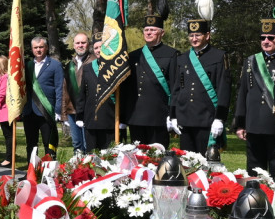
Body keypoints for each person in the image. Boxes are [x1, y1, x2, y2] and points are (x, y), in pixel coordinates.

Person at [234, 18, 275, 178]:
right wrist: (240, 124)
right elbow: (243, 93)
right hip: (254, 125)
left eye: (271, 38)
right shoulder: (251, 61)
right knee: (254, 172)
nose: (266, 41)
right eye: (262, 37)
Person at [169, 19, 231, 155]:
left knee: (206, 164)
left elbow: (223, 89)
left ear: (207, 36)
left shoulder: (219, 56)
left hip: (207, 118)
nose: (194, 39)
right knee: (186, 162)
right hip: (185, 117)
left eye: (198, 35)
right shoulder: (183, 58)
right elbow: (177, 89)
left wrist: (220, 118)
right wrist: (172, 115)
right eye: (191, 35)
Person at [125, 15, 179, 146]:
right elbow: (127, 88)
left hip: (159, 117)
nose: (148, 33)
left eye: (153, 30)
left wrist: (173, 115)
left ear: (162, 33)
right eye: (146, 30)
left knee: (157, 159)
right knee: (137, 159)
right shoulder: (133, 56)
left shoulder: (172, 54)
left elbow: (175, 88)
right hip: (136, 116)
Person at [22, 35, 63, 159]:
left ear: (46, 48)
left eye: (41, 47)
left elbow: (59, 88)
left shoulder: (55, 65)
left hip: (46, 110)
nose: (38, 50)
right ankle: (31, 171)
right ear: (32, 49)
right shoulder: (27, 66)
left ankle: (48, 171)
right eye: (35, 47)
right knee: (31, 144)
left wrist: (58, 109)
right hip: (29, 110)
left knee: (48, 143)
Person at [76, 40, 118, 150]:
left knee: (109, 154)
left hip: (110, 117)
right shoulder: (87, 68)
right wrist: (80, 115)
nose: (98, 50)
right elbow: (83, 93)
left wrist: (122, 118)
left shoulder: (116, 67)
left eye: (101, 47)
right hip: (91, 118)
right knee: (92, 153)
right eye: (96, 48)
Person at [61, 32, 94, 155]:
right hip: (72, 111)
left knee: (88, 144)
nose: (80, 45)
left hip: (88, 110)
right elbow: (64, 90)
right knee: (77, 145)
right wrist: (64, 114)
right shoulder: (69, 65)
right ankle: (78, 171)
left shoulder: (95, 61)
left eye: (83, 42)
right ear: (74, 45)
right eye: (78, 43)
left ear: (88, 44)